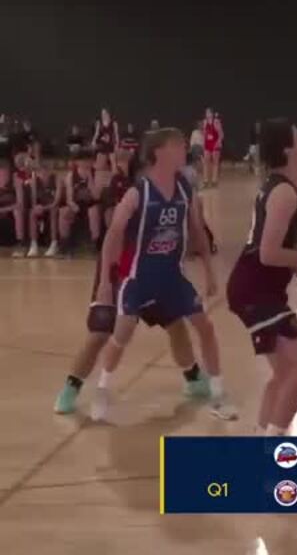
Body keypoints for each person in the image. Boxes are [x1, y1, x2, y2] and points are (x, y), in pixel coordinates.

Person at [90, 128, 233, 422]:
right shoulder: (137, 193)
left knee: (205, 327)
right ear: (159, 153)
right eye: (178, 146)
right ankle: (102, 389)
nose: (185, 151)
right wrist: (106, 280)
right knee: (122, 334)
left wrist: (209, 271)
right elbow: (113, 236)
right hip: (139, 277)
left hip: (172, 277)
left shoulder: (185, 190)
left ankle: (218, 395)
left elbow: (197, 231)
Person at [53, 151, 212, 415]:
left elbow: (186, 231)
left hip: (153, 272)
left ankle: (193, 377)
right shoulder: (128, 193)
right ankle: (72, 386)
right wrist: (106, 279)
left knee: (175, 323)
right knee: (100, 333)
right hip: (120, 269)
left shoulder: (175, 192)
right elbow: (112, 234)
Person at [227, 118, 297, 435]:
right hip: (255, 289)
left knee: (286, 372)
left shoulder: (282, 187)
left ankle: (261, 439)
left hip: (258, 288)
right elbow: (268, 253)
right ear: (289, 148)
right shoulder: (284, 193)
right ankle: (274, 445)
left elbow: (276, 249)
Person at [56, 151, 103, 251]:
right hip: (76, 205)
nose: (87, 163)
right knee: (64, 211)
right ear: (77, 162)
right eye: (84, 160)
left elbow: (97, 196)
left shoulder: (96, 174)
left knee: (93, 211)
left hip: (91, 204)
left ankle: (95, 243)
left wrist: (90, 179)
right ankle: (64, 243)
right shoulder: (71, 176)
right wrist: (74, 208)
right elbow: (69, 198)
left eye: (89, 160)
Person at [23, 158, 60, 258]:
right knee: (32, 213)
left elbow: (56, 201)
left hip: (53, 206)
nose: (43, 173)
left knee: (53, 211)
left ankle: (54, 243)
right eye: (41, 171)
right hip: (42, 207)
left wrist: (45, 207)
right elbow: (34, 200)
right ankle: (33, 244)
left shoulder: (57, 179)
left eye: (46, 170)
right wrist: (37, 207)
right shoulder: (35, 181)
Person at [0, 163, 22, 250]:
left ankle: (20, 243)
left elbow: (19, 204)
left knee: (17, 213)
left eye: (4, 174)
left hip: (11, 215)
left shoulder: (16, 183)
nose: (2, 176)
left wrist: (5, 209)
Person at [201, 108, 224, 187]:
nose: (207, 114)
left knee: (215, 163)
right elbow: (204, 134)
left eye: (208, 113)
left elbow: (221, 134)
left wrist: (218, 143)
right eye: (206, 113)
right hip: (207, 145)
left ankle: (214, 181)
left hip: (215, 144)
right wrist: (203, 145)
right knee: (205, 163)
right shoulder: (204, 122)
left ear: (212, 114)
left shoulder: (216, 122)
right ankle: (205, 181)